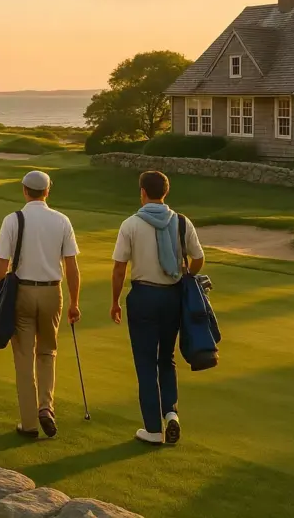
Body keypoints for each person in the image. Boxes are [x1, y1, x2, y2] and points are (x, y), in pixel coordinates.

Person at [110, 170, 204, 445]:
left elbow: (119, 269)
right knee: (167, 359)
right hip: (173, 297)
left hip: (143, 297)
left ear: (142, 192)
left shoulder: (131, 224)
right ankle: (171, 414)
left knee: (145, 363)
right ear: (166, 192)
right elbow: (198, 258)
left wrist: (115, 301)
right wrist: (187, 275)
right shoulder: (182, 222)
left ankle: (152, 429)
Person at [0, 170, 80, 439]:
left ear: (24, 190)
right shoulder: (62, 220)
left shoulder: (12, 220)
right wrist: (74, 302)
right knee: (47, 352)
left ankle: (29, 423)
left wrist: (3, 296)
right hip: (52, 292)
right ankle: (46, 407)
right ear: (47, 191)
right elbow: (72, 267)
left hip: (22, 292)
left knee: (23, 356)